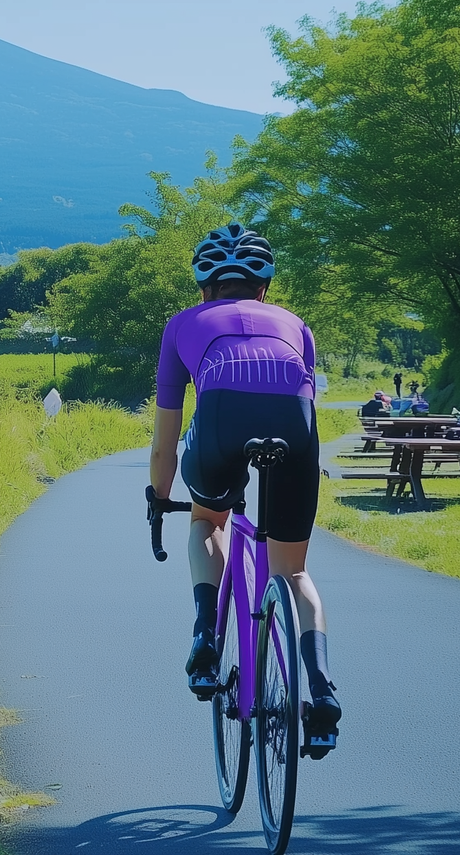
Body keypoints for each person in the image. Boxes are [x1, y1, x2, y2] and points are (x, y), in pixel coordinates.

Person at [149, 223, 338, 754]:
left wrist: (159, 497)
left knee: (207, 522)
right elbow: (302, 400)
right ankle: (321, 695)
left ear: (203, 288)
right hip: (294, 427)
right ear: (265, 289)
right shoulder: (297, 326)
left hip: (220, 420)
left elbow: (165, 441)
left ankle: (206, 637)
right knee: (294, 571)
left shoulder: (183, 324)